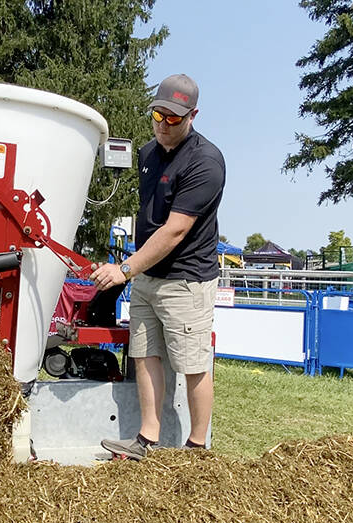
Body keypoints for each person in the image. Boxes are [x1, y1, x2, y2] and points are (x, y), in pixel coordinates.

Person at [89, 73, 225, 459]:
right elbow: (150, 219)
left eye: (174, 119)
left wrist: (124, 270)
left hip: (187, 281)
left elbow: (175, 231)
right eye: (158, 115)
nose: (164, 125)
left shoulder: (206, 162)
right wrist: (133, 268)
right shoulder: (147, 154)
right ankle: (147, 438)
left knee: (193, 364)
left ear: (193, 115)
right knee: (144, 352)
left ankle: (197, 449)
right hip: (149, 277)